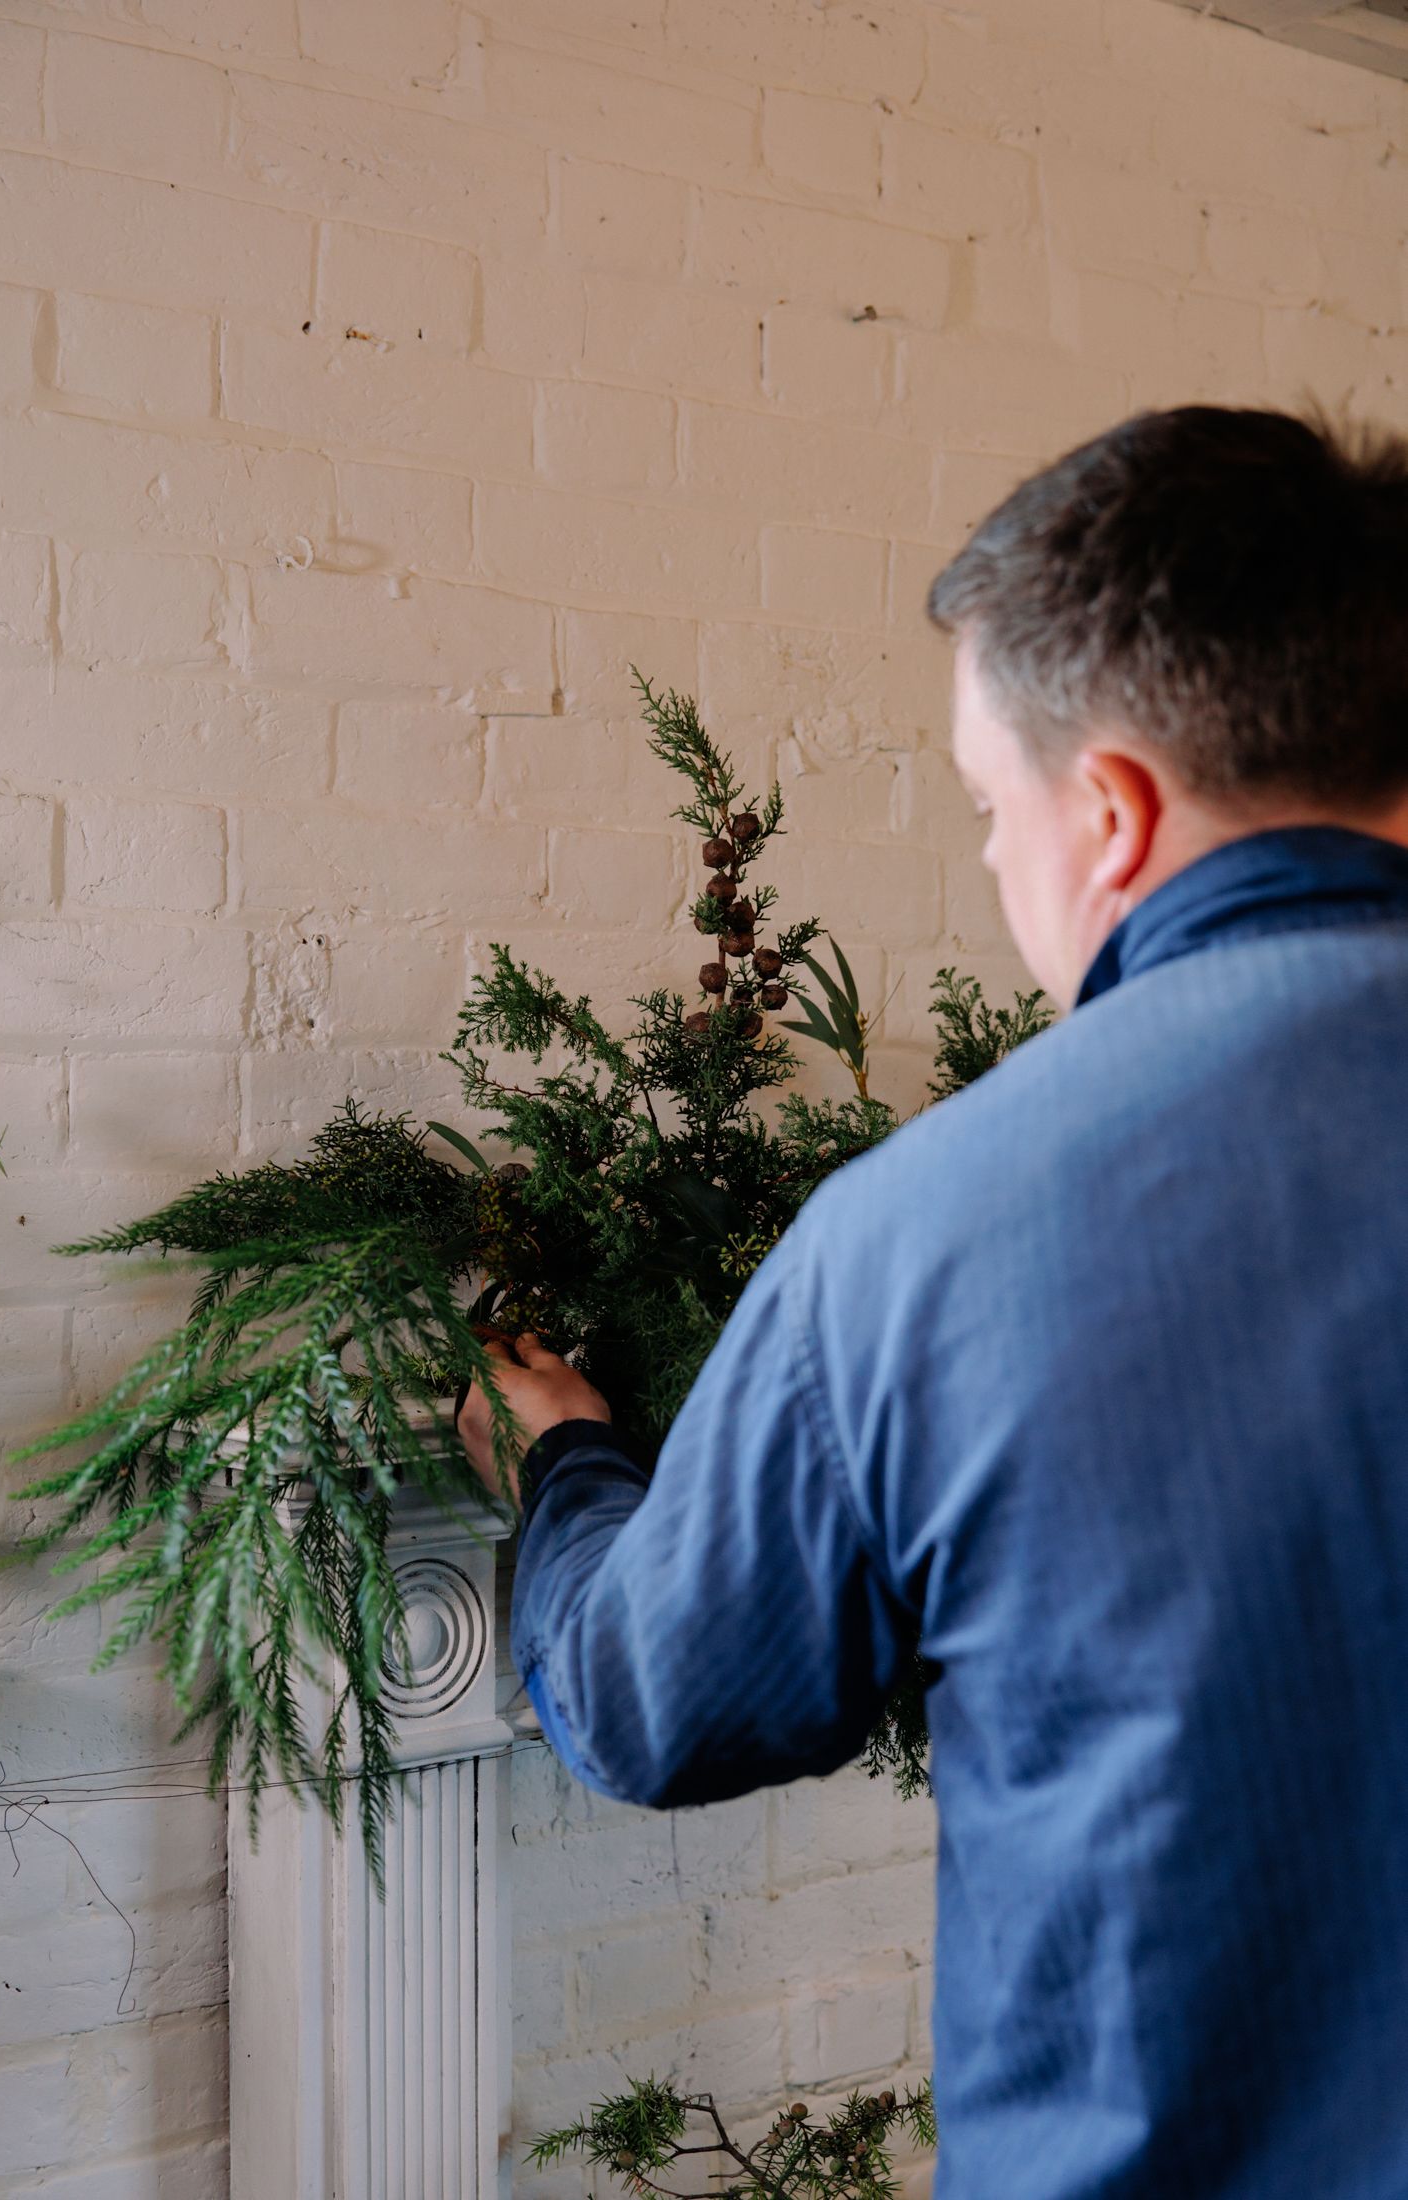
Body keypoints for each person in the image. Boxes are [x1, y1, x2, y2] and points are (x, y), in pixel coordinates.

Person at [457, 407, 1408, 2199]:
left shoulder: (938, 1231)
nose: (994, 868)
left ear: (1113, 810)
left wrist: (573, 1466)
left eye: (991, 811)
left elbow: (647, 1701)